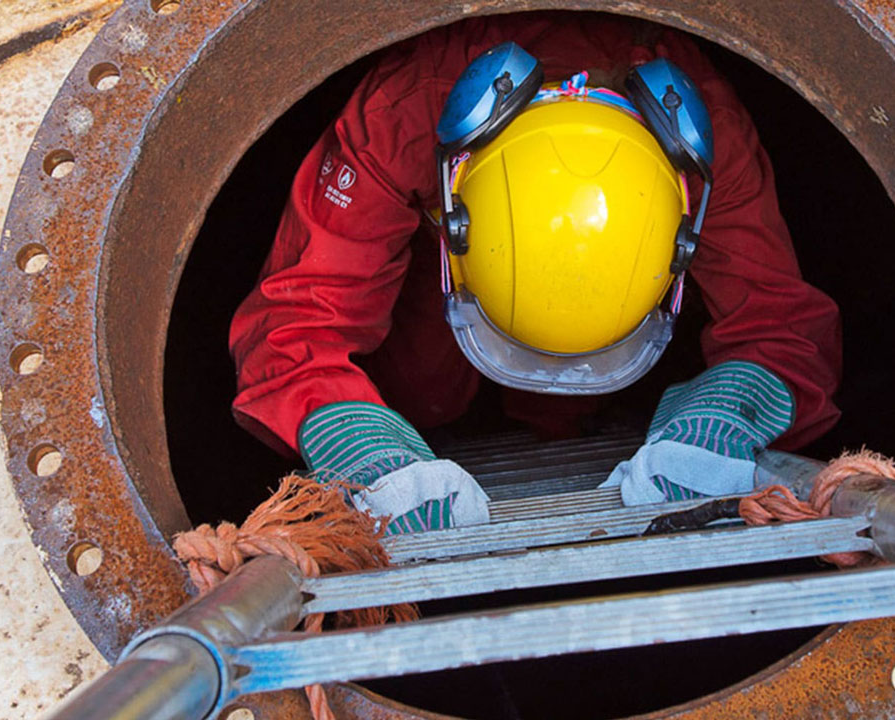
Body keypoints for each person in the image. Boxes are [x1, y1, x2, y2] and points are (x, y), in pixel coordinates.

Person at [229, 13, 841, 535]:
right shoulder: (405, 113)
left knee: (588, 400)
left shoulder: (706, 142)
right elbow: (297, 321)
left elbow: (779, 320)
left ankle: (573, 412)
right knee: (422, 385)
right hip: (439, 305)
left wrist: (724, 415)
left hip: (612, 380)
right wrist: (360, 444)